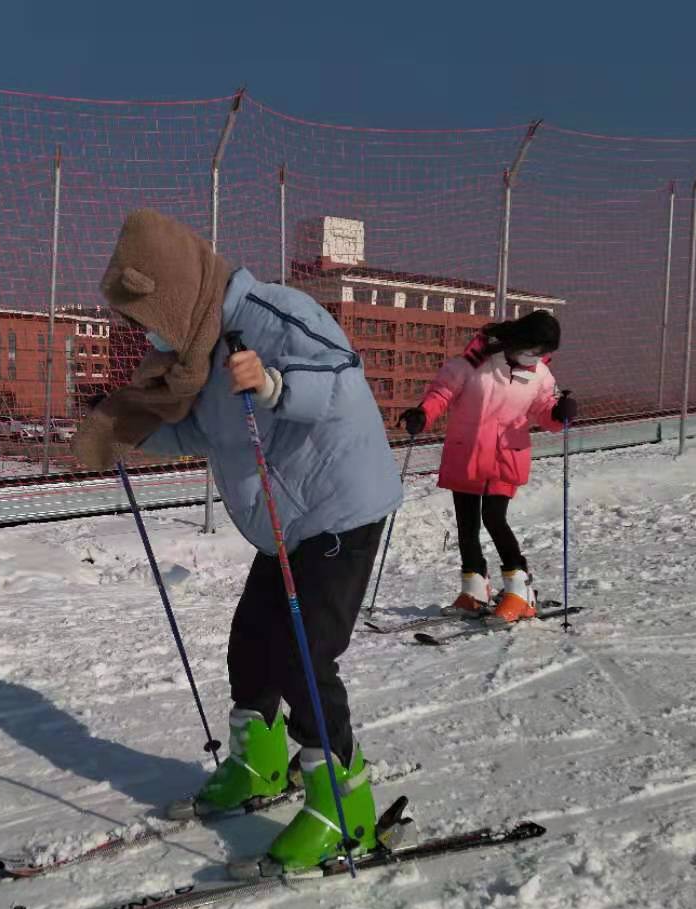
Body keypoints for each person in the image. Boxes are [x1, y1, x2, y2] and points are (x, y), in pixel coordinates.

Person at [72, 209, 403, 873]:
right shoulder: (197, 352)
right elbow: (204, 435)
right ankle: (259, 766)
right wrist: (126, 435)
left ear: (171, 290)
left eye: (146, 320)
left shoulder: (272, 313)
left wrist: (275, 383)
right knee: (253, 643)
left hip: (339, 510)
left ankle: (345, 807)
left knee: (304, 658)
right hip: (287, 523)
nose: (147, 337)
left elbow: (340, 376)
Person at [398, 311, 573, 623]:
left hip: (506, 456)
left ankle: (521, 590)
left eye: (542, 354)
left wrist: (561, 413)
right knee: (467, 526)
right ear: (518, 341)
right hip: (467, 455)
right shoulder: (473, 363)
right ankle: (475, 589)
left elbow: (545, 410)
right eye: (532, 350)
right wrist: (422, 415)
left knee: (494, 518)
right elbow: (442, 393)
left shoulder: (540, 375)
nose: (534, 358)